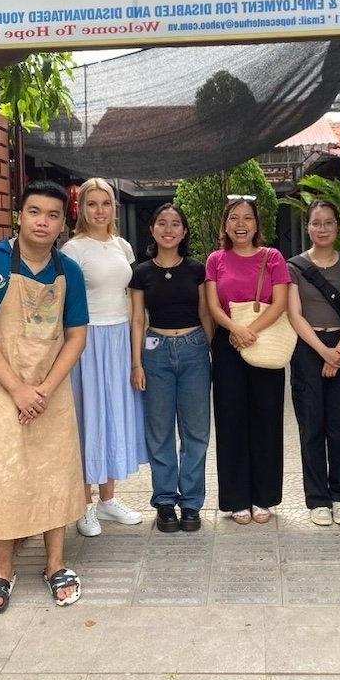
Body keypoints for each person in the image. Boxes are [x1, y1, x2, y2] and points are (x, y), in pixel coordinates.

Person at [0, 180, 88, 613]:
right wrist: (17, 389)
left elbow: (76, 336)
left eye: (53, 215)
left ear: (62, 224)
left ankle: (56, 564)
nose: (43, 221)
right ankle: (3, 569)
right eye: (35, 212)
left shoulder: (68, 270)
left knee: (55, 470)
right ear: (20, 216)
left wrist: (45, 388)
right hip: (2, 390)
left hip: (52, 387)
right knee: (5, 473)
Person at [62, 177, 146, 535]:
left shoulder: (122, 246)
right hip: (88, 340)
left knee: (114, 415)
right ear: (81, 209)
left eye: (106, 203)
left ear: (114, 207)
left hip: (120, 336)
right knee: (89, 417)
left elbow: (128, 296)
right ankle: (83, 505)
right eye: (91, 204)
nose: (99, 210)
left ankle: (108, 500)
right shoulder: (72, 249)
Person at [205, 197, 291, 524]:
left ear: (257, 224)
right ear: (225, 225)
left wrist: (250, 331)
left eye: (248, 219)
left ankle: (264, 497)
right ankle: (236, 498)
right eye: (234, 219)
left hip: (265, 341)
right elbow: (213, 306)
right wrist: (235, 330)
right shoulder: (216, 260)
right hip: (228, 345)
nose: (241, 224)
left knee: (267, 419)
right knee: (230, 421)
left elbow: (280, 302)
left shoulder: (273, 258)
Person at [130, 203, 213, 533]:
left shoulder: (197, 270)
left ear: (184, 230)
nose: (168, 229)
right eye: (161, 223)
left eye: (175, 223)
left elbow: (206, 314)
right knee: (159, 431)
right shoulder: (141, 272)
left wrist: (210, 354)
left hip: (194, 349)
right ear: (152, 230)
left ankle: (191, 503)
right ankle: (165, 500)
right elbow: (138, 319)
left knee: (196, 433)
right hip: (155, 352)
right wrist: (136, 363)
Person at [287, 200, 340, 526]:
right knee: (311, 425)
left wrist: (339, 352)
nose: (322, 228)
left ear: (337, 227)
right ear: (308, 227)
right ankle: (318, 499)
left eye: (328, 223)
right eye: (316, 223)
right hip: (307, 348)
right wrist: (323, 351)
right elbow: (294, 314)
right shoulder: (294, 266)